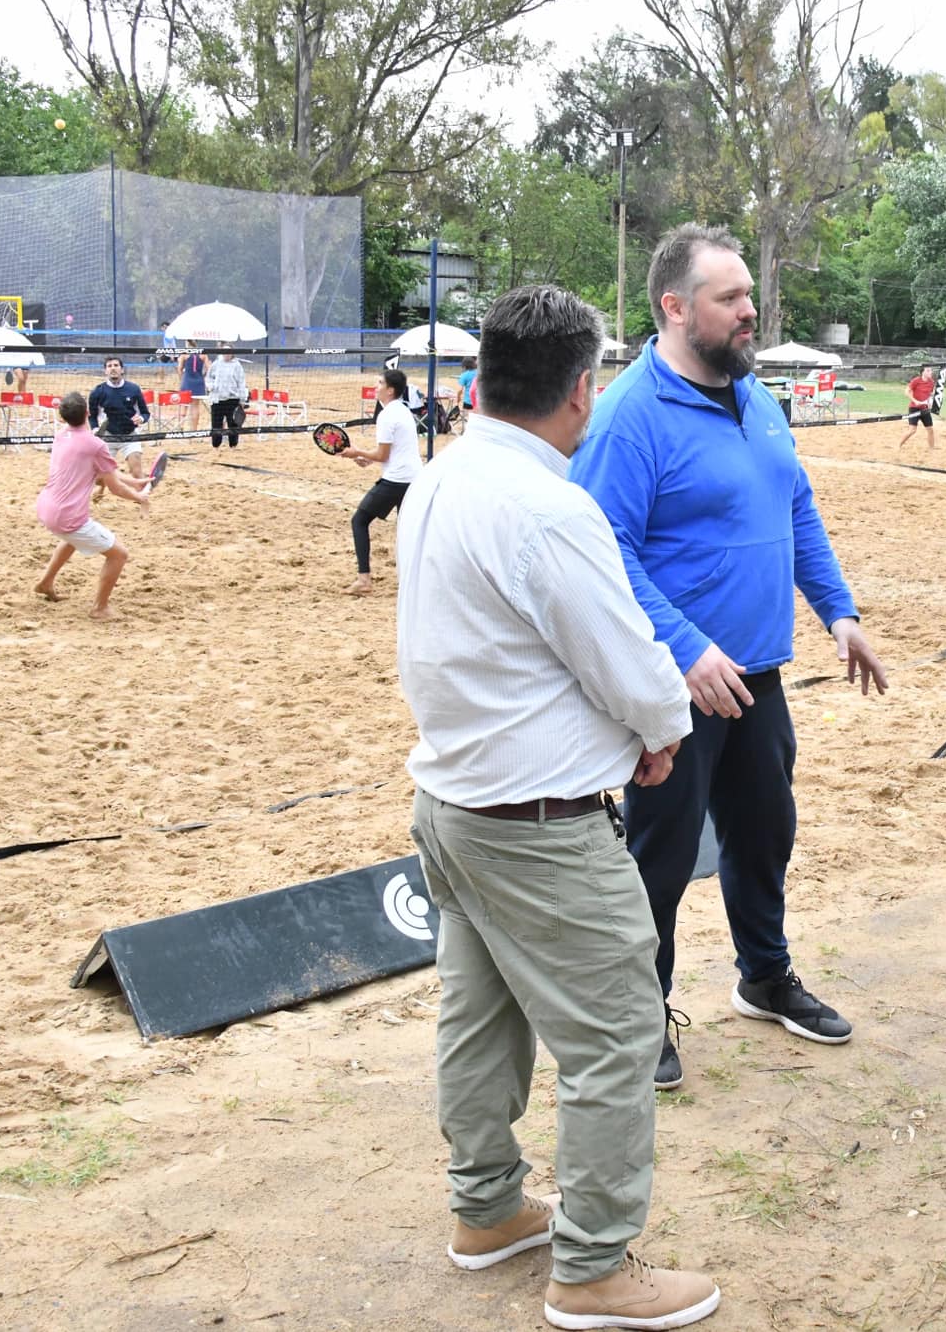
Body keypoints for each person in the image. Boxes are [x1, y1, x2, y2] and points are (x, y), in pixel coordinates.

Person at [396, 284, 719, 1330]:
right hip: (534, 822)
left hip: (454, 802)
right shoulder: (546, 505)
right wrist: (659, 732)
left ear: (482, 377)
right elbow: (629, 665)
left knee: (478, 1015)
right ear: (582, 391)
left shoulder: (442, 478)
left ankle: (486, 1207)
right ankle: (591, 1266)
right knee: (616, 1032)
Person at [570, 222, 889, 1091]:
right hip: (672, 689)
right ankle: (642, 1014)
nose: (751, 311)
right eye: (730, 298)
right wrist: (683, 647)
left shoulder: (756, 398)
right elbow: (604, 555)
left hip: (759, 675)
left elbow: (796, 510)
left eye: (749, 294)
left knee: (764, 834)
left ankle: (764, 976)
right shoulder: (628, 417)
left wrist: (840, 613)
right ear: (675, 308)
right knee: (661, 859)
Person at [33, 390, 150, 619]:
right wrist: (139, 497)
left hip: (45, 507)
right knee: (119, 555)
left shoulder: (61, 436)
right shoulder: (95, 445)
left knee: (71, 540)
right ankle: (100, 608)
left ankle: (45, 583)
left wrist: (135, 481)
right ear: (89, 412)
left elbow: (102, 472)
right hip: (67, 516)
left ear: (61, 417)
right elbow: (114, 487)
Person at [334, 367, 421, 595]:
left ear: (390, 390)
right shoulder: (403, 411)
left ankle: (364, 580)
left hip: (397, 480)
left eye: (380, 384)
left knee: (359, 521)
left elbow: (383, 455)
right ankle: (412, 580)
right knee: (406, 530)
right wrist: (366, 459)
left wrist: (357, 452)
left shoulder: (387, 415)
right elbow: (392, 452)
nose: (376, 387)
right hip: (414, 478)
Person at [88, 357, 152, 484]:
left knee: (136, 472)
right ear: (105, 371)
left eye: (116, 365)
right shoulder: (97, 392)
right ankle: (101, 488)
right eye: (109, 366)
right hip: (108, 437)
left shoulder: (133, 389)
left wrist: (141, 419)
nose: (113, 368)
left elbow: (145, 413)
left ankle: (143, 499)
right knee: (100, 478)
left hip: (130, 436)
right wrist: (95, 430)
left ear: (122, 370)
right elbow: (92, 416)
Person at [207, 349, 249, 449]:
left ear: (232, 353)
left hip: (232, 399)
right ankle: (216, 446)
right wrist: (211, 386)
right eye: (224, 352)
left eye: (228, 352)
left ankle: (233, 445)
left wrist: (243, 399)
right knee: (216, 424)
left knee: (233, 424)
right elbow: (209, 378)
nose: (226, 354)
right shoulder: (216, 364)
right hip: (217, 399)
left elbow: (241, 383)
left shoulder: (237, 366)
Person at [899, 363, 938, 448]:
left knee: (930, 430)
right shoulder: (916, 380)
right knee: (912, 430)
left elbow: (930, 394)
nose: (930, 372)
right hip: (914, 408)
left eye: (931, 370)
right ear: (922, 372)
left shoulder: (931, 382)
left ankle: (932, 449)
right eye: (928, 370)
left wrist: (930, 402)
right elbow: (906, 391)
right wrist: (915, 401)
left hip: (925, 409)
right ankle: (899, 445)